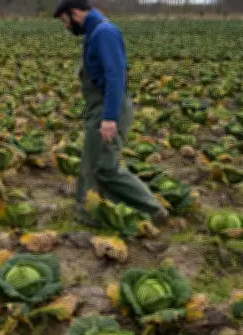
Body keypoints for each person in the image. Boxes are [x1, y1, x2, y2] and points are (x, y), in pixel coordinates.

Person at [53, 0, 169, 227]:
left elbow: (116, 77)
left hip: (108, 109)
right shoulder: (94, 32)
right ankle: (89, 213)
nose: (66, 27)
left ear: (75, 13)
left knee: (106, 168)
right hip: (98, 110)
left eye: (65, 21)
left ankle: (152, 209)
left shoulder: (104, 33)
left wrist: (109, 118)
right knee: (88, 165)